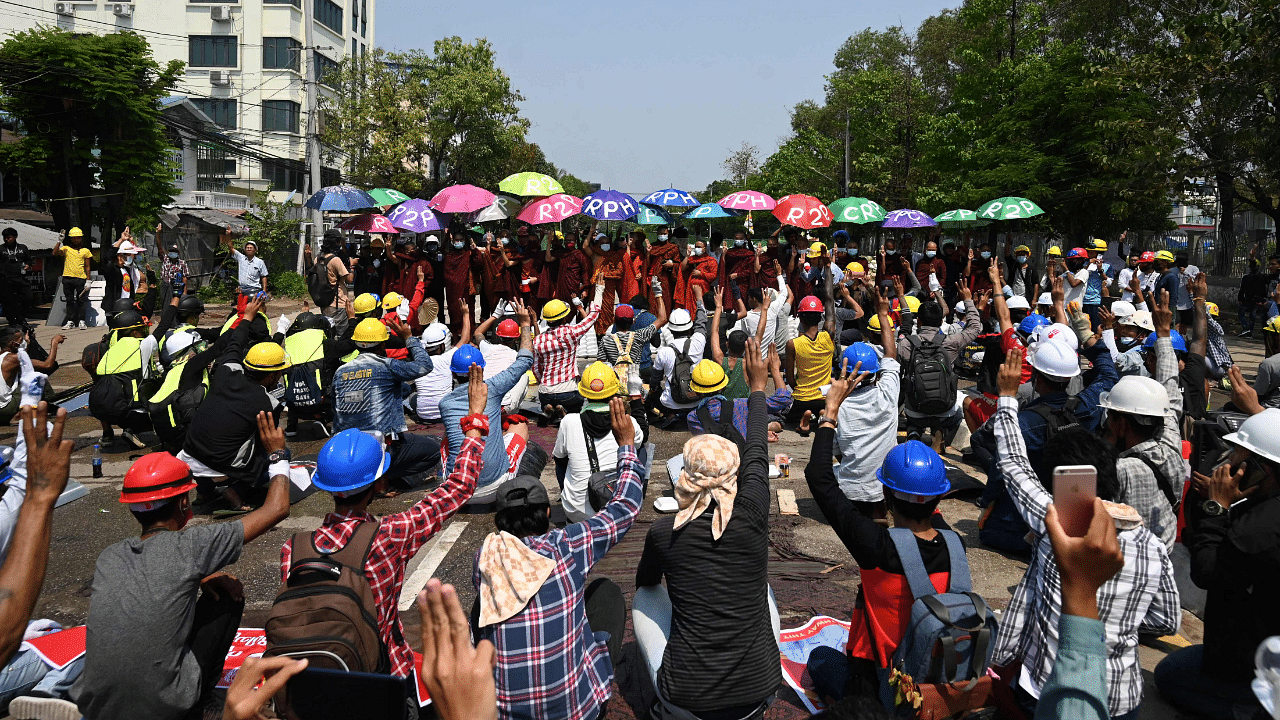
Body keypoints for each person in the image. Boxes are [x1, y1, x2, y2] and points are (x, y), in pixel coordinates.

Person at [990, 349, 1179, 720]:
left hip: (1050, 691)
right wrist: (1119, 622)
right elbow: (1166, 620)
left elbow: (1013, 464)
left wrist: (1007, 397)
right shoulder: (1153, 547)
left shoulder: (1056, 528)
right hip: (1122, 699)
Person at [75, 416, 292, 720]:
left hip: (98, 707)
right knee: (229, 595)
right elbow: (277, 507)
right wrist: (278, 455)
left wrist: (202, 576)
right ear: (182, 505)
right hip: (163, 707)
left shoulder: (109, 557)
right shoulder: (192, 547)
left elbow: (155, 576)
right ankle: (200, 704)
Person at [284, 373, 484, 696]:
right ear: (378, 484)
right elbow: (459, 486)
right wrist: (475, 420)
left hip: (314, 685)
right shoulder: (389, 535)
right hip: (383, 678)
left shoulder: (291, 550)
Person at [633, 342, 779, 719]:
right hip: (758, 693)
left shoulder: (664, 531)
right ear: (737, 476)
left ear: (685, 478)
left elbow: (647, 582)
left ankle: (662, 709)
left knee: (645, 597)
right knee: (761, 589)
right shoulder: (752, 515)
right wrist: (758, 387)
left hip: (686, 698)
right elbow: (758, 452)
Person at [478, 397, 642, 720]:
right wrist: (626, 446)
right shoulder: (568, 544)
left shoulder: (485, 557)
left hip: (505, 714)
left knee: (480, 613)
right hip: (578, 710)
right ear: (547, 514)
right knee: (606, 594)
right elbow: (625, 506)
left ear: (499, 523)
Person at [805, 370, 959, 704]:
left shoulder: (876, 546)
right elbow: (923, 500)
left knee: (820, 658)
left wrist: (830, 411)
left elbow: (819, 478)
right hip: (938, 675)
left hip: (882, 684)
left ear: (886, 496)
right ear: (939, 499)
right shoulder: (954, 543)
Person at [1153, 404, 1280, 719]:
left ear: (1262, 468)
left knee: (1170, 674)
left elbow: (1206, 570)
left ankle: (1252, 709)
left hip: (1252, 665)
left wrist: (1216, 507)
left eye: (1239, 455)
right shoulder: (1265, 509)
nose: (1232, 462)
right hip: (1263, 645)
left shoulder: (1259, 528)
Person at [179, 299, 296, 512]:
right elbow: (267, 442)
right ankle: (233, 491)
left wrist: (247, 317)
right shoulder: (268, 403)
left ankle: (205, 492)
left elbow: (235, 343)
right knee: (281, 452)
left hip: (190, 451)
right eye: (279, 372)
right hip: (220, 463)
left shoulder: (226, 371)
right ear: (272, 376)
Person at [1032, 496, 1128, 720]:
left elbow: (1073, 708)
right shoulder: (1155, 546)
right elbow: (1167, 620)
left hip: (1040, 688)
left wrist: (1080, 589)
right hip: (1127, 698)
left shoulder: (1049, 539)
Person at [439, 300, 534, 505]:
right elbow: (526, 359)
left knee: (448, 437)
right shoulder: (492, 388)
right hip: (494, 487)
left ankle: (445, 477)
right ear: (481, 369)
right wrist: (526, 323)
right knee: (520, 425)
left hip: (456, 490)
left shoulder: (445, 403)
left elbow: (477, 335)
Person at [333, 316, 438, 489]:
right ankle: (382, 477)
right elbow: (425, 365)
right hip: (380, 445)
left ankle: (371, 475)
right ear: (383, 345)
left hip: (347, 449)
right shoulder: (387, 366)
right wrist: (409, 338)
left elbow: (336, 410)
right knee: (433, 452)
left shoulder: (340, 372)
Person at [833, 292, 900, 520]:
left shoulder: (836, 405)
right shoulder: (888, 393)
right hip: (885, 488)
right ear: (875, 373)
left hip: (851, 490)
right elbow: (891, 354)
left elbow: (836, 451)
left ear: (845, 373)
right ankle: (881, 509)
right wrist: (883, 313)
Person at [897, 287, 981, 454]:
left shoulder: (906, 344)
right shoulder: (952, 341)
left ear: (919, 321)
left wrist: (901, 296)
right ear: (941, 321)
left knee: (912, 410)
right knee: (954, 414)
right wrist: (968, 301)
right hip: (945, 407)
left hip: (915, 407)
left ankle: (914, 431)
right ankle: (939, 428)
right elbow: (975, 328)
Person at [598, 292, 668, 436]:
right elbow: (662, 319)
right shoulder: (639, 337)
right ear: (633, 322)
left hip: (615, 391)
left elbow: (601, 366)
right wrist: (658, 293)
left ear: (614, 320)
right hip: (635, 390)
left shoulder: (606, 340)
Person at [535, 286, 603, 421]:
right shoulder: (571, 333)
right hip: (568, 393)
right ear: (565, 318)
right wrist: (599, 290)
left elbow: (536, 369)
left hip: (544, 392)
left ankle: (548, 408)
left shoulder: (538, 340)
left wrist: (543, 383)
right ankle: (565, 411)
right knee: (577, 406)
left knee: (547, 399)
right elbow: (593, 316)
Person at [785, 295, 836, 434]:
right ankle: (821, 413)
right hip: (823, 398)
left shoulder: (793, 344)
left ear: (800, 318)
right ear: (820, 318)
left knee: (787, 418)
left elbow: (789, 379)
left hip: (802, 398)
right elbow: (830, 304)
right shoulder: (829, 337)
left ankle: (803, 420)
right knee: (821, 407)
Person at [650, 303, 708, 424]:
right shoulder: (698, 342)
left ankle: (671, 414)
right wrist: (699, 302)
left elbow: (655, 380)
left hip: (672, 403)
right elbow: (701, 324)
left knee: (653, 392)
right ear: (690, 328)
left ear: (670, 330)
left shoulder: (663, 352)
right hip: (697, 399)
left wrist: (652, 389)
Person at [0, 328, 63, 427]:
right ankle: (20, 415)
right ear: (13, 344)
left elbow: (25, 360)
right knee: (37, 377)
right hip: (5, 410)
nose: (23, 342)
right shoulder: (13, 359)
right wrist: (54, 343)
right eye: (21, 340)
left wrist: (27, 343)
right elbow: (47, 365)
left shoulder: (4, 357)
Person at [303, 230, 354, 336]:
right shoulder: (335, 260)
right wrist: (352, 266)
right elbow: (349, 279)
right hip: (338, 303)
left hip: (325, 301)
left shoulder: (318, 258)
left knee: (329, 333)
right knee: (340, 335)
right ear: (335, 242)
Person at [51, 228, 92, 330]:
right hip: (68, 278)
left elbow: (87, 266)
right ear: (71, 239)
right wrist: (59, 241)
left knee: (80, 300)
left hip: (80, 279)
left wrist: (88, 280)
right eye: (74, 238)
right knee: (69, 301)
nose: (76, 240)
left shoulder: (85, 251)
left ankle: (82, 321)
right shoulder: (66, 249)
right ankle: (70, 321)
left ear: (81, 239)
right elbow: (54, 253)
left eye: (78, 238)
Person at [223, 237, 269, 310]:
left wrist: (264, 290)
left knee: (256, 309)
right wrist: (229, 235)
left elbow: (264, 276)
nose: (249, 249)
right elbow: (231, 248)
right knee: (240, 310)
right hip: (242, 289)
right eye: (247, 248)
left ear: (255, 250)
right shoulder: (241, 258)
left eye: (251, 248)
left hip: (254, 289)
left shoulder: (260, 262)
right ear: (245, 250)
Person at [0, 228, 31, 328]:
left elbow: (29, 260)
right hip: (6, 279)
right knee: (8, 301)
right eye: (5, 237)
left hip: (21, 278)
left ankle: (21, 318)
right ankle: (12, 320)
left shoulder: (23, 248)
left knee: (27, 298)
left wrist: (27, 266)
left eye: (9, 237)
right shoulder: (1, 249)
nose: (6, 239)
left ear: (15, 237)